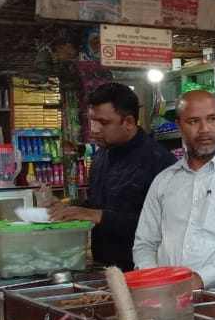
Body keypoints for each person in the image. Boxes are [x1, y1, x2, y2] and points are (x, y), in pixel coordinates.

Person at [133, 90, 215, 299]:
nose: (204, 129)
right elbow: (145, 244)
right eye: (193, 121)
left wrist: (199, 279)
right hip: (169, 301)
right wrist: (155, 281)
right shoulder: (163, 181)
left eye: (212, 119)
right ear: (179, 125)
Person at [47, 82, 174, 271]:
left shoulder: (160, 162)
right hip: (103, 267)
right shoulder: (101, 156)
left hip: (143, 271)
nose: (94, 129)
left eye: (104, 122)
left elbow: (166, 226)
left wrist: (98, 216)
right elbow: (98, 203)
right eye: (92, 120)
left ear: (128, 122)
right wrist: (69, 208)